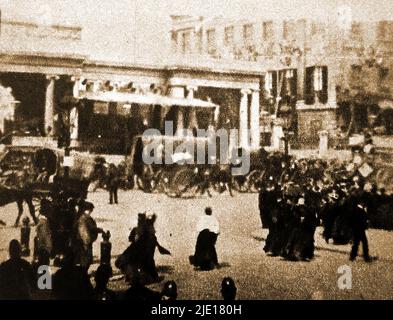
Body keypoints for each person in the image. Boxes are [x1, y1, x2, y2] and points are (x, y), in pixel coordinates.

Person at [71, 201, 102, 272]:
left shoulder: (86, 218)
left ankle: (83, 273)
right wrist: (86, 242)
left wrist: (99, 230)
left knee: (86, 260)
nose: (91, 212)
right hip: (84, 242)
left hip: (86, 241)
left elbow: (92, 228)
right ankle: (82, 274)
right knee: (85, 260)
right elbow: (84, 231)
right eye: (90, 210)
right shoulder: (83, 219)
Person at [349, 196, 373, 262]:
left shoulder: (356, 209)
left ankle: (352, 256)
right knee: (363, 243)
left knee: (356, 243)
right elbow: (364, 219)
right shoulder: (360, 210)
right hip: (360, 229)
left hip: (357, 229)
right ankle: (366, 257)